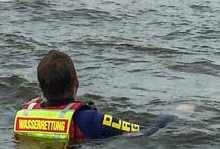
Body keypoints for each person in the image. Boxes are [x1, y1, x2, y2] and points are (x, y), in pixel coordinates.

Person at [14, 50, 171, 144]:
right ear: (76, 81)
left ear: (41, 86)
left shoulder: (24, 113)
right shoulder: (89, 119)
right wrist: (174, 114)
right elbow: (147, 131)